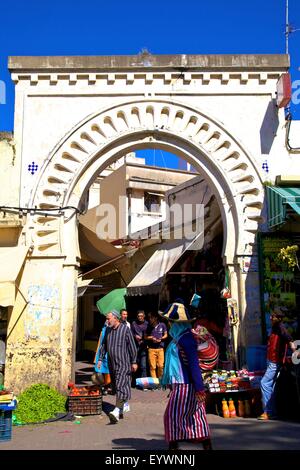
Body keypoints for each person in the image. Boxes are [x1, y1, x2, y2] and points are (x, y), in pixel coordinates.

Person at [160, 301, 212, 451]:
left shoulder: (186, 338)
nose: (169, 324)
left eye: (170, 321)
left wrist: (200, 388)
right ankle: (206, 446)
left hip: (186, 386)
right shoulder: (180, 337)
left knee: (172, 417)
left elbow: (194, 364)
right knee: (195, 416)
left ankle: (174, 448)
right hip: (183, 384)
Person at [98, 310, 138, 424]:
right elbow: (104, 345)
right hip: (112, 364)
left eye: (108, 318)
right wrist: (100, 359)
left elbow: (132, 347)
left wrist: (134, 361)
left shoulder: (125, 330)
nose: (107, 320)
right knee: (116, 386)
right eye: (106, 318)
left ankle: (115, 411)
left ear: (116, 318)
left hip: (123, 363)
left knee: (121, 385)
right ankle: (121, 409)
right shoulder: (108, 330)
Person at [258, 307, 298, 421]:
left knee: (264, 383)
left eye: (273, 316)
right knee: (271, 386)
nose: (271, 317)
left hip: (275, 362)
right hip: (271, 360)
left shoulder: (280, 327)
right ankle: (272, 412)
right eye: (271, 315)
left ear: (279, 318)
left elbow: (289, 339)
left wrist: (295, 352)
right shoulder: (275, 327)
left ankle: (268, 412)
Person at [145, 311, 168, 380]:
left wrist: (161, 338)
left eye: (151, 318)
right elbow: (145, 337)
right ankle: (155, 383)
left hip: (160, 348)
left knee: (161, 365)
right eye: (149, 318)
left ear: (156, 318)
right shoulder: (148, 326)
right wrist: (151, 338)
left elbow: (166, 335)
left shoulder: (162, 325)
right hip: (151, 349)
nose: (150, 319)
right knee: (152, 367)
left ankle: (160, 381)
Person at [93, 320, 112, 394]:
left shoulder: (113, 328)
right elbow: (101, 342)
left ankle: (107, 386)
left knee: (108, 370)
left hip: (109, 352)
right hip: (102, 352)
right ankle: (103, 386)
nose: (108, 320)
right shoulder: (104, 328)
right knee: (102, 370)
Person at [131, 310, 149, 378]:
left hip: (143, 347)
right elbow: (130, 333)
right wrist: (135, 336)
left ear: (144, 316)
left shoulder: (147, 324)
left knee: (143, 366)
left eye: (141, 316)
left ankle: (144, 384)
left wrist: (144, 339)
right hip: (135, 347)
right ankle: (133, 382)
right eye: (138, 316)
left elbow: (150, 334)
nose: (140, 317)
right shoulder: (134, 323)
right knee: (134, 364)